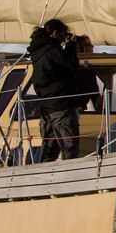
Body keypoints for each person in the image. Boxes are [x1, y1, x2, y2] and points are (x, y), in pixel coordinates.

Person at [27, 19, 82, 161]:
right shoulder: (52, 50)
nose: (64, 38)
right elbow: (70, 68)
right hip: (61, 105)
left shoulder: (38, 51)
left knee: (49, 149)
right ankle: (69, 178)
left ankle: (44, 177)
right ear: (55, 33)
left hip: (46, 107)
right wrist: (70, 47)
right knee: (69, 146)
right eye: (63, 34)